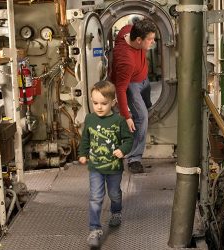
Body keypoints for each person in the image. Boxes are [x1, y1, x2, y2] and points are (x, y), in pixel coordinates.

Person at [78, 80, 134, 248]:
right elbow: (86, 138)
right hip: (95, 168)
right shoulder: (90, 119)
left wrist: (122, 150)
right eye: (95, 103)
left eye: (104, 103)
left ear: (113, 102)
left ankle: (116, 212)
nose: (99, 107)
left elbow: (128, 139)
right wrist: (82, 153)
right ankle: (94, 229)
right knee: (95, 198)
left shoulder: (119, 120)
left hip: (114, 168)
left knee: (114, 194)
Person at [111, 18, 156, 174]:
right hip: (132, 85)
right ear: (138, 40)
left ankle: (138, 128)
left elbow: (122, 36)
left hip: (144, 80)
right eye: (150, 40)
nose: (153, 42)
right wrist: (127, 115)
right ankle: (134, 159)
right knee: (141, 116)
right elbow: (120, 88)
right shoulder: (126, 60)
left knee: (148, 106)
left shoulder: (127, 30)